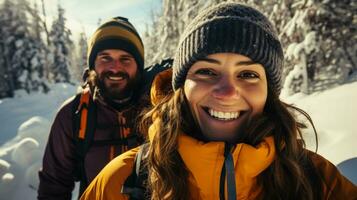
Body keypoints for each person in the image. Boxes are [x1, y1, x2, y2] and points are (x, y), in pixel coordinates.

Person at [80, 3, 357, 200]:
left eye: (248, 74)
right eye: (207, 72)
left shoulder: (318, 182)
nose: (226, 92)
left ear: (269, 92)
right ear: (181, 86)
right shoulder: (122, 181)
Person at [38, 16, 150, 199]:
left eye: (125, 59)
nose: (115, 68)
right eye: (105, 58)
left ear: (139, 66)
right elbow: (54, 186)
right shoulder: (73, 116)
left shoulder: (158, 110)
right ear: (92, 65)